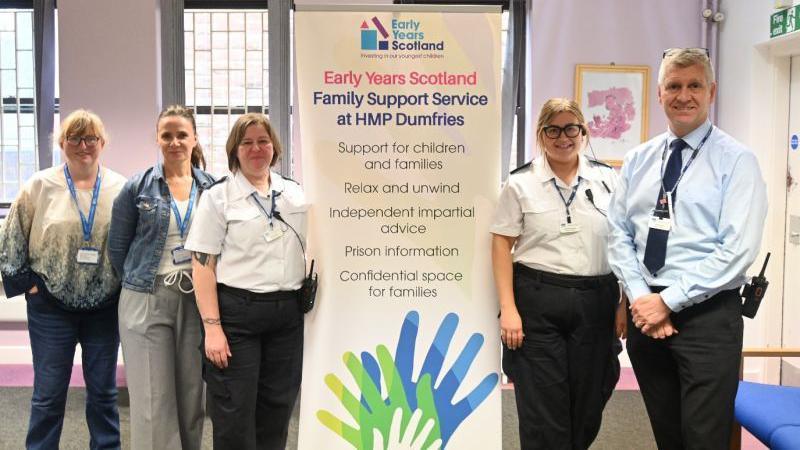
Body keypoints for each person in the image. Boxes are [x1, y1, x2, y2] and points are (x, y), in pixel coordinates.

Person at [607, 47, 768, 449]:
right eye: (674, 86)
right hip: (648, 317)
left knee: (704, 439)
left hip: (707, 318)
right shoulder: (639, 159)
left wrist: (669, 302)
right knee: (668, 435)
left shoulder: (737, 161)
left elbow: (737, 251)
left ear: (711, 91)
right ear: (659, 94)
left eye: (694, 85)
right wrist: (644, 299)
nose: (684, 95)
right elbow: (618, 233)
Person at [491, 98, 626, 450]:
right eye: (553, 129)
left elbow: (624, 242)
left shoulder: (608, 179)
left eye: (571, 128)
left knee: (589, 399)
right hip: (538, 301)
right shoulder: (520, 183)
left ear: (584, 132)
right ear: (541, 134)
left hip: (597, 299)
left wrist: (623, 301)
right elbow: (502, 243)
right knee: (541, 406)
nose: (562, 137)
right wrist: (509, 308)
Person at [0, 109, 126, 449]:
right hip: (50, 308)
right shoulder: (39, 185)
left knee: (103, 394)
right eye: (74, 138)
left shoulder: (120, 188)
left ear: (102, 143)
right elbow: (11, 236)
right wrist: (29, 285)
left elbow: (134, 241)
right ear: (62, 143)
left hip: (104, 307)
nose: (83, 145)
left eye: (91, 139)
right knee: (48, 394)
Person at [184, 113, 308, 450]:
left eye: (263, 141)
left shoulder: (294, 194)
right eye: (247, 142)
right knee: (234, 413)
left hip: (286, 316)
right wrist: (212, 328)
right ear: (235, 151)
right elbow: (202, 266)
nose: (256, 148)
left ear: (275, 148)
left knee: (277, 411)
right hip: (237, 316)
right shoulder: (218, 197)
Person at [108, 105, 215, 449]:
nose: (174, 142)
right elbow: (117, 249)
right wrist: (142, 286)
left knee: (190, 396)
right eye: (166, 135)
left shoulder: (212, 189)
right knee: (154, 400)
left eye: (181, 134)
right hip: (147, 297)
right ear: (157, 139)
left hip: (197, 301)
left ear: (194, 138)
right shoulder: (137, 188)